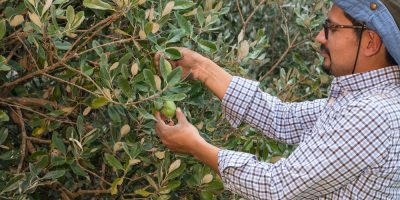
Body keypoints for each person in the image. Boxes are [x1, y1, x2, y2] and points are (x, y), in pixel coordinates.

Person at [154, 1, 400, 199]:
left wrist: (197, 146)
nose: (319, 37)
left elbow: (277, 186)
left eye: (332, 28)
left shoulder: (372, 113)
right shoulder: (364, 99)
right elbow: (282, 118)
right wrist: (201, 67)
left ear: (370, 43)